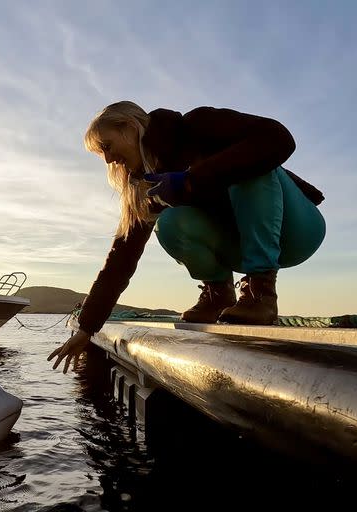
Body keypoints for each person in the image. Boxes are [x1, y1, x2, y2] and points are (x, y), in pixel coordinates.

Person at [48, 101, 325, 373]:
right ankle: (219, 294)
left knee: (247, 166)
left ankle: (260, 292)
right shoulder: (146, 186)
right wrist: (87, 328)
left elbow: (279, 139)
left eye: (107, 147)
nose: (109, 160)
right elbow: (121, 258)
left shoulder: (196, 125)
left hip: (296, 230)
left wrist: (190, 180)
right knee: (170, 223)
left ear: (130, 128)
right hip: (239, 243)